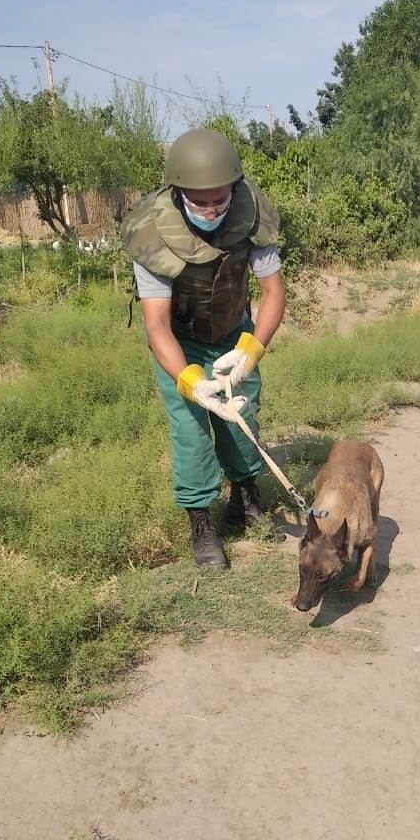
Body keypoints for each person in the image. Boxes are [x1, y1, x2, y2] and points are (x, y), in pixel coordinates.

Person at [122, 128, 286, 570]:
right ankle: (201, 521)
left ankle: (246, 495)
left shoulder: (251, 212)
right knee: (192, 432)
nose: (213, 209)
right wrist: (190, 380)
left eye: (221, 199)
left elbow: (274, 294)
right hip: (180, 342)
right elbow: (156, 326)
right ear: (179, 194)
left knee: (241, 418)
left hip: (235, 332)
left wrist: (251, 350)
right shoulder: (151, 232)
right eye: (202, 202)